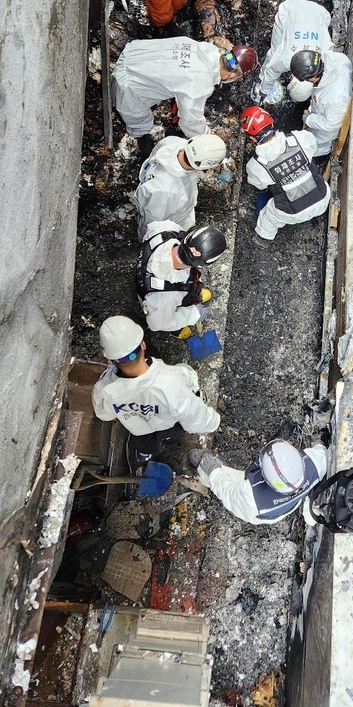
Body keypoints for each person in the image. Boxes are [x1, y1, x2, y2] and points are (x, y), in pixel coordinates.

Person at [93, 315, 220, 465]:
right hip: (166, 424)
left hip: (138, 428)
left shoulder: (105, 388)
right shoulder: (172, 382)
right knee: (167, 433)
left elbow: (104, 414)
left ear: (109, 360)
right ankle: (159, 443)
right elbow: (197, 418)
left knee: (143, 442)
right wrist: (213, 421)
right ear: (143, 345)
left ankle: (144, 454)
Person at [112, 37, 258, 159]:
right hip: (129, 84)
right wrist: (206, 136)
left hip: (135, 53)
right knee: (138, 118)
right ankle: (141, 139)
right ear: (233, 76)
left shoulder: (204, 49)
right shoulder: (200, 83)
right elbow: (190, 122)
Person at [240, 106, 330, 250]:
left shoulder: (256, 166)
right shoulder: (299, 138)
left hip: (293, 213)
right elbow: (313, 146)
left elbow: (258, 185)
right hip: (322, 199)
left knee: (269, 217)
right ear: (272, 123)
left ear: (252, 138)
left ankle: (263, 240)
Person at [189, 439, 327, 525]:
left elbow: (228, 492)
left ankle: (205, 470)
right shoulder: (314, 463)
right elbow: (322, 452)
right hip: (291, 504)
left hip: (260, 514)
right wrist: (319, 444)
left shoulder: (251, 498)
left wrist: (214, 472)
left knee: (225, 482)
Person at [132, 132, 227, 240]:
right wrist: (149, 239)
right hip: (167, 217)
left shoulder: (173, 142)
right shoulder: (167, 191)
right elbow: (151, 222)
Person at [136, 221, 226, 334]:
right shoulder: (166, 297)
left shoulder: (166, 229)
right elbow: (156, 324)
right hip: (155, 302)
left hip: (145, 272)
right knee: (168, 319)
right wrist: (194, 314)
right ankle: (177, 329)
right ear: (203, 264)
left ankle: (194, 293)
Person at [251, 0, 333, 104]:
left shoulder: (327, 57)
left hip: (320, 13)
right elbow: (271, 69)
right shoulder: (285, 59)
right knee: (274, 51)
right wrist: (263, 91)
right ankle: (261, 81)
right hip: (290, 9)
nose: (289, 77)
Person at [290, 48, 352, 156]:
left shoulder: (336, 97)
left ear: (313, 78)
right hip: (323, 107)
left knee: (316, 146)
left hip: (325, 134)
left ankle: (319, 156)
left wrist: (309, 119)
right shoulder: (335, 59)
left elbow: (331, 124)